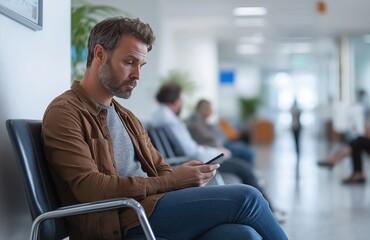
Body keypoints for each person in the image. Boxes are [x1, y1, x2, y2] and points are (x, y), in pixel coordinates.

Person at [42, 17, 288, 240]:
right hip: (123, 220)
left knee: (242, 235)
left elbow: (160, 168)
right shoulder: (65, 113)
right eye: (129, 62)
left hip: (151, 207)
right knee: (247, 198)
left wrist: (182, 177)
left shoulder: (126, 116)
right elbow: (89, 188)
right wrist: (171, 182)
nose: (137, 74)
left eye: (141, 65)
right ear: (99, 54)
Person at [151, 84, 275, 207]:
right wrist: (216, 152)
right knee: (245, 170)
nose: (181, 102)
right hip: (198, 162)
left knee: (244, 166)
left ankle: (266, 206)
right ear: (175, 100)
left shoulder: (161, 118)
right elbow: (191, 151)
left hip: (196, 157)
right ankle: (268, 208)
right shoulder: (171, 122)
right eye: (181, 99)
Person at [186, 99, 255, 166]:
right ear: (204, 109)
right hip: (215, 148)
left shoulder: (202, 121)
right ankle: (249, 173)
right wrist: (219, 147)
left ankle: (248, 172)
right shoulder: (195, 123)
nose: (212, 111)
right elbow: (209, 139)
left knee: (244, 147)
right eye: (211, 109)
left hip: (219, 145)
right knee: (248, 152)